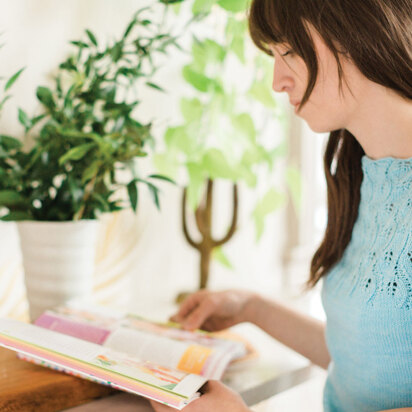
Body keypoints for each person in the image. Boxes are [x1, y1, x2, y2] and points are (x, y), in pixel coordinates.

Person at [151, 0, 412, 410]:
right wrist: (251, 308)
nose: (278, 81)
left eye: (288, 50)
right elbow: (367, 361)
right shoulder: (365, 173)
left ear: (356, 29)